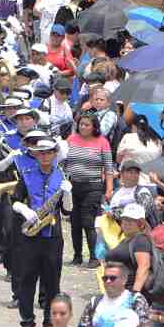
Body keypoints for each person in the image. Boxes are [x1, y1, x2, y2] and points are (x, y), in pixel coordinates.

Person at [9, 137, 72, 327]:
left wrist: (68, 194)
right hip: (30, 233)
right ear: (36, 155)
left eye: (49, 152)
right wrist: (26, 211)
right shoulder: (26, 174)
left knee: (52, 280)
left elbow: (67, 211)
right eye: (41, 153)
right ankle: (27, 320)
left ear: (55, 154)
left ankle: (49, 321)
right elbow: (15, 200)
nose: (45, 156)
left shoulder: (62, 176)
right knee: (27, 278)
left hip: (52, 234)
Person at [63, 112, 115, 268]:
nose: (83, 127)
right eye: (81, 124)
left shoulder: (102, 142)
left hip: (93, 186)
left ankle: (94, 257)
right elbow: (62, 161)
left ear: (94, 127)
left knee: (88, 221)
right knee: (75, 222)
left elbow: (108, 168)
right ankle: (77, 256)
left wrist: (109, 189)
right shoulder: (71, 140)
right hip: (73, 185)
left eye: (87, 124)